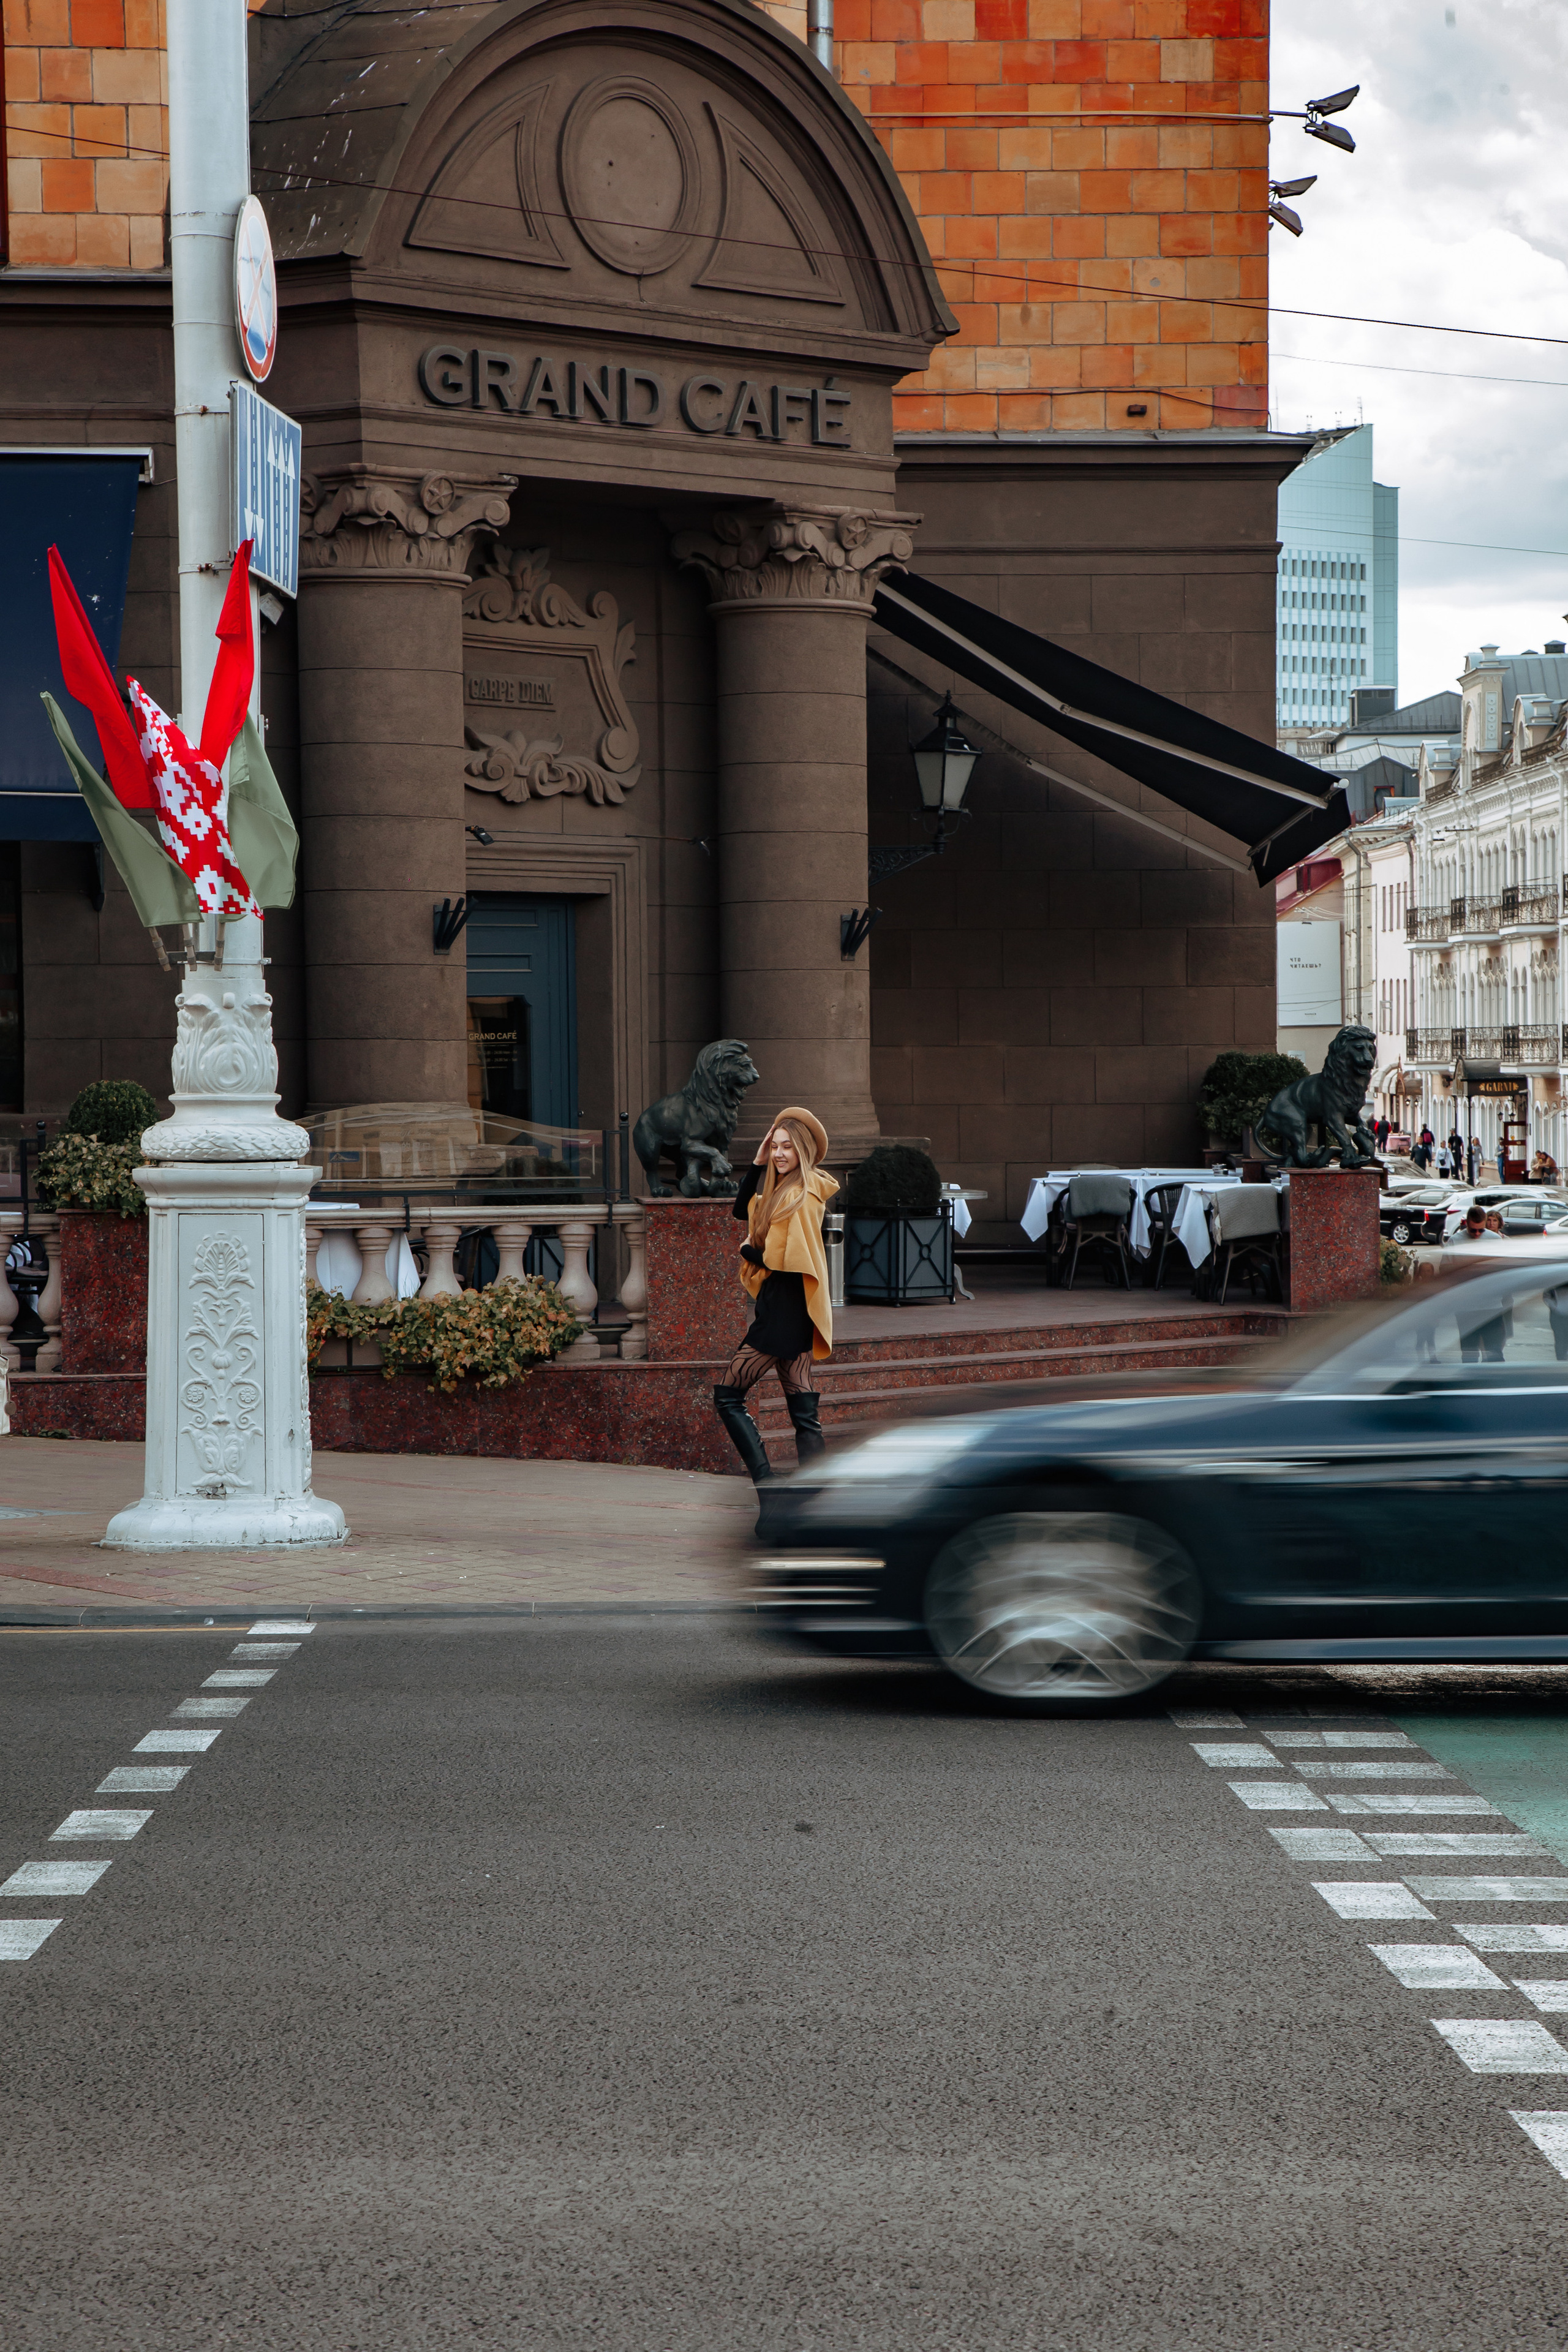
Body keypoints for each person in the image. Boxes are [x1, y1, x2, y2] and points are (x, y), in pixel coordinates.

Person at [712, 1107, 837, 1491]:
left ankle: (766, 1483)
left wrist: (749, 1252)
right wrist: (757, 1161)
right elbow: (740, 1209)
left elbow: (783, 1262)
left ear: (802, 1151)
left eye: (788, 1147)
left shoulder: (801, 1194)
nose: (780, 1153)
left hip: (784, 1310)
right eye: (776, 1146)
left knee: (728, 1397)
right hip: (792, 1308)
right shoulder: (783, 1191)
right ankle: (818, 1498)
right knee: (804, 1412)